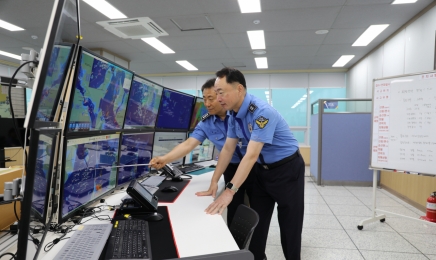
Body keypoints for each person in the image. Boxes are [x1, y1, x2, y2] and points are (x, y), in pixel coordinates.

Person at [204, 68, 305, 260]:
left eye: (221, 92)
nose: (218, 99)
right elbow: (227, 149)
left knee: (289, 225)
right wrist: (215, 181)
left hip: (287, 170)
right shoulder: (234, 114)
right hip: (262, 171)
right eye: (216, 93)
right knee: (256, 225)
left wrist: (229, 191)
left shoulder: (262, 112)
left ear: (239, 89)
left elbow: (250, 155)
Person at [150, 78, 255, 226]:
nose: (207, 104)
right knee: (234, 210)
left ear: (221, 96)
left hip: (252, 166)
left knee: (256, 209)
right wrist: (165, 159)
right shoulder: (206, 123)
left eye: (211, 99)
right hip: (230, 167)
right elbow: (188, 144)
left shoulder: (241, 115)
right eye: (204, 99)